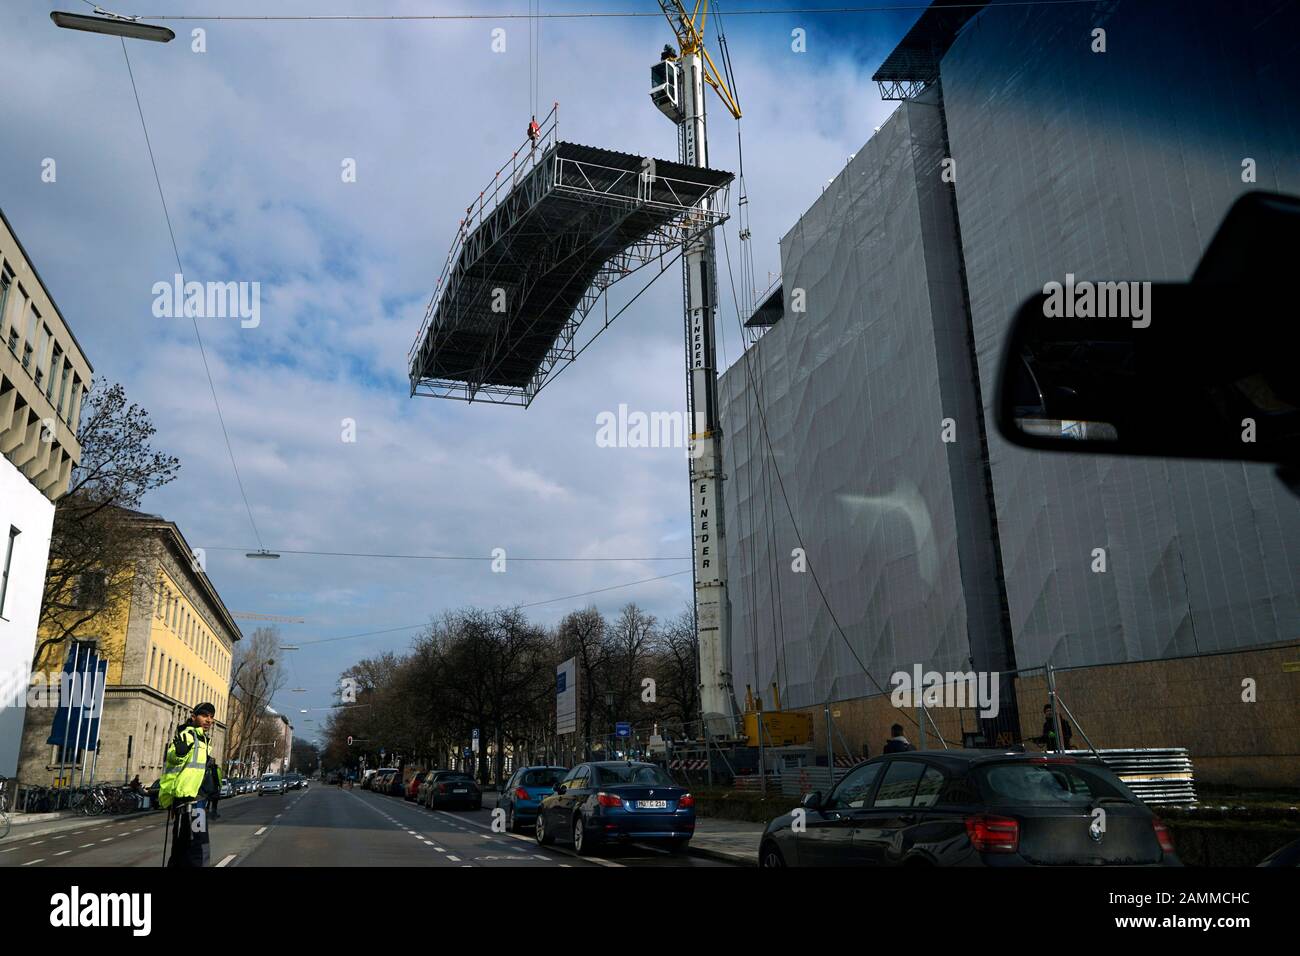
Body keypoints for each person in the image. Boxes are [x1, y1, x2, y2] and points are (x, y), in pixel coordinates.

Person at [160, 702, 219, 867]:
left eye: (211, 717)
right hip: (189, 802)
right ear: (194, 717)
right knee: (196, 847)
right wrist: (178, 753)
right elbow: (172, 760)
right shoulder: (187, 735)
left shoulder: (203, 740)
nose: (209, 720)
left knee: (184, 847)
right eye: (205, 715)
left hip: (196, 800)